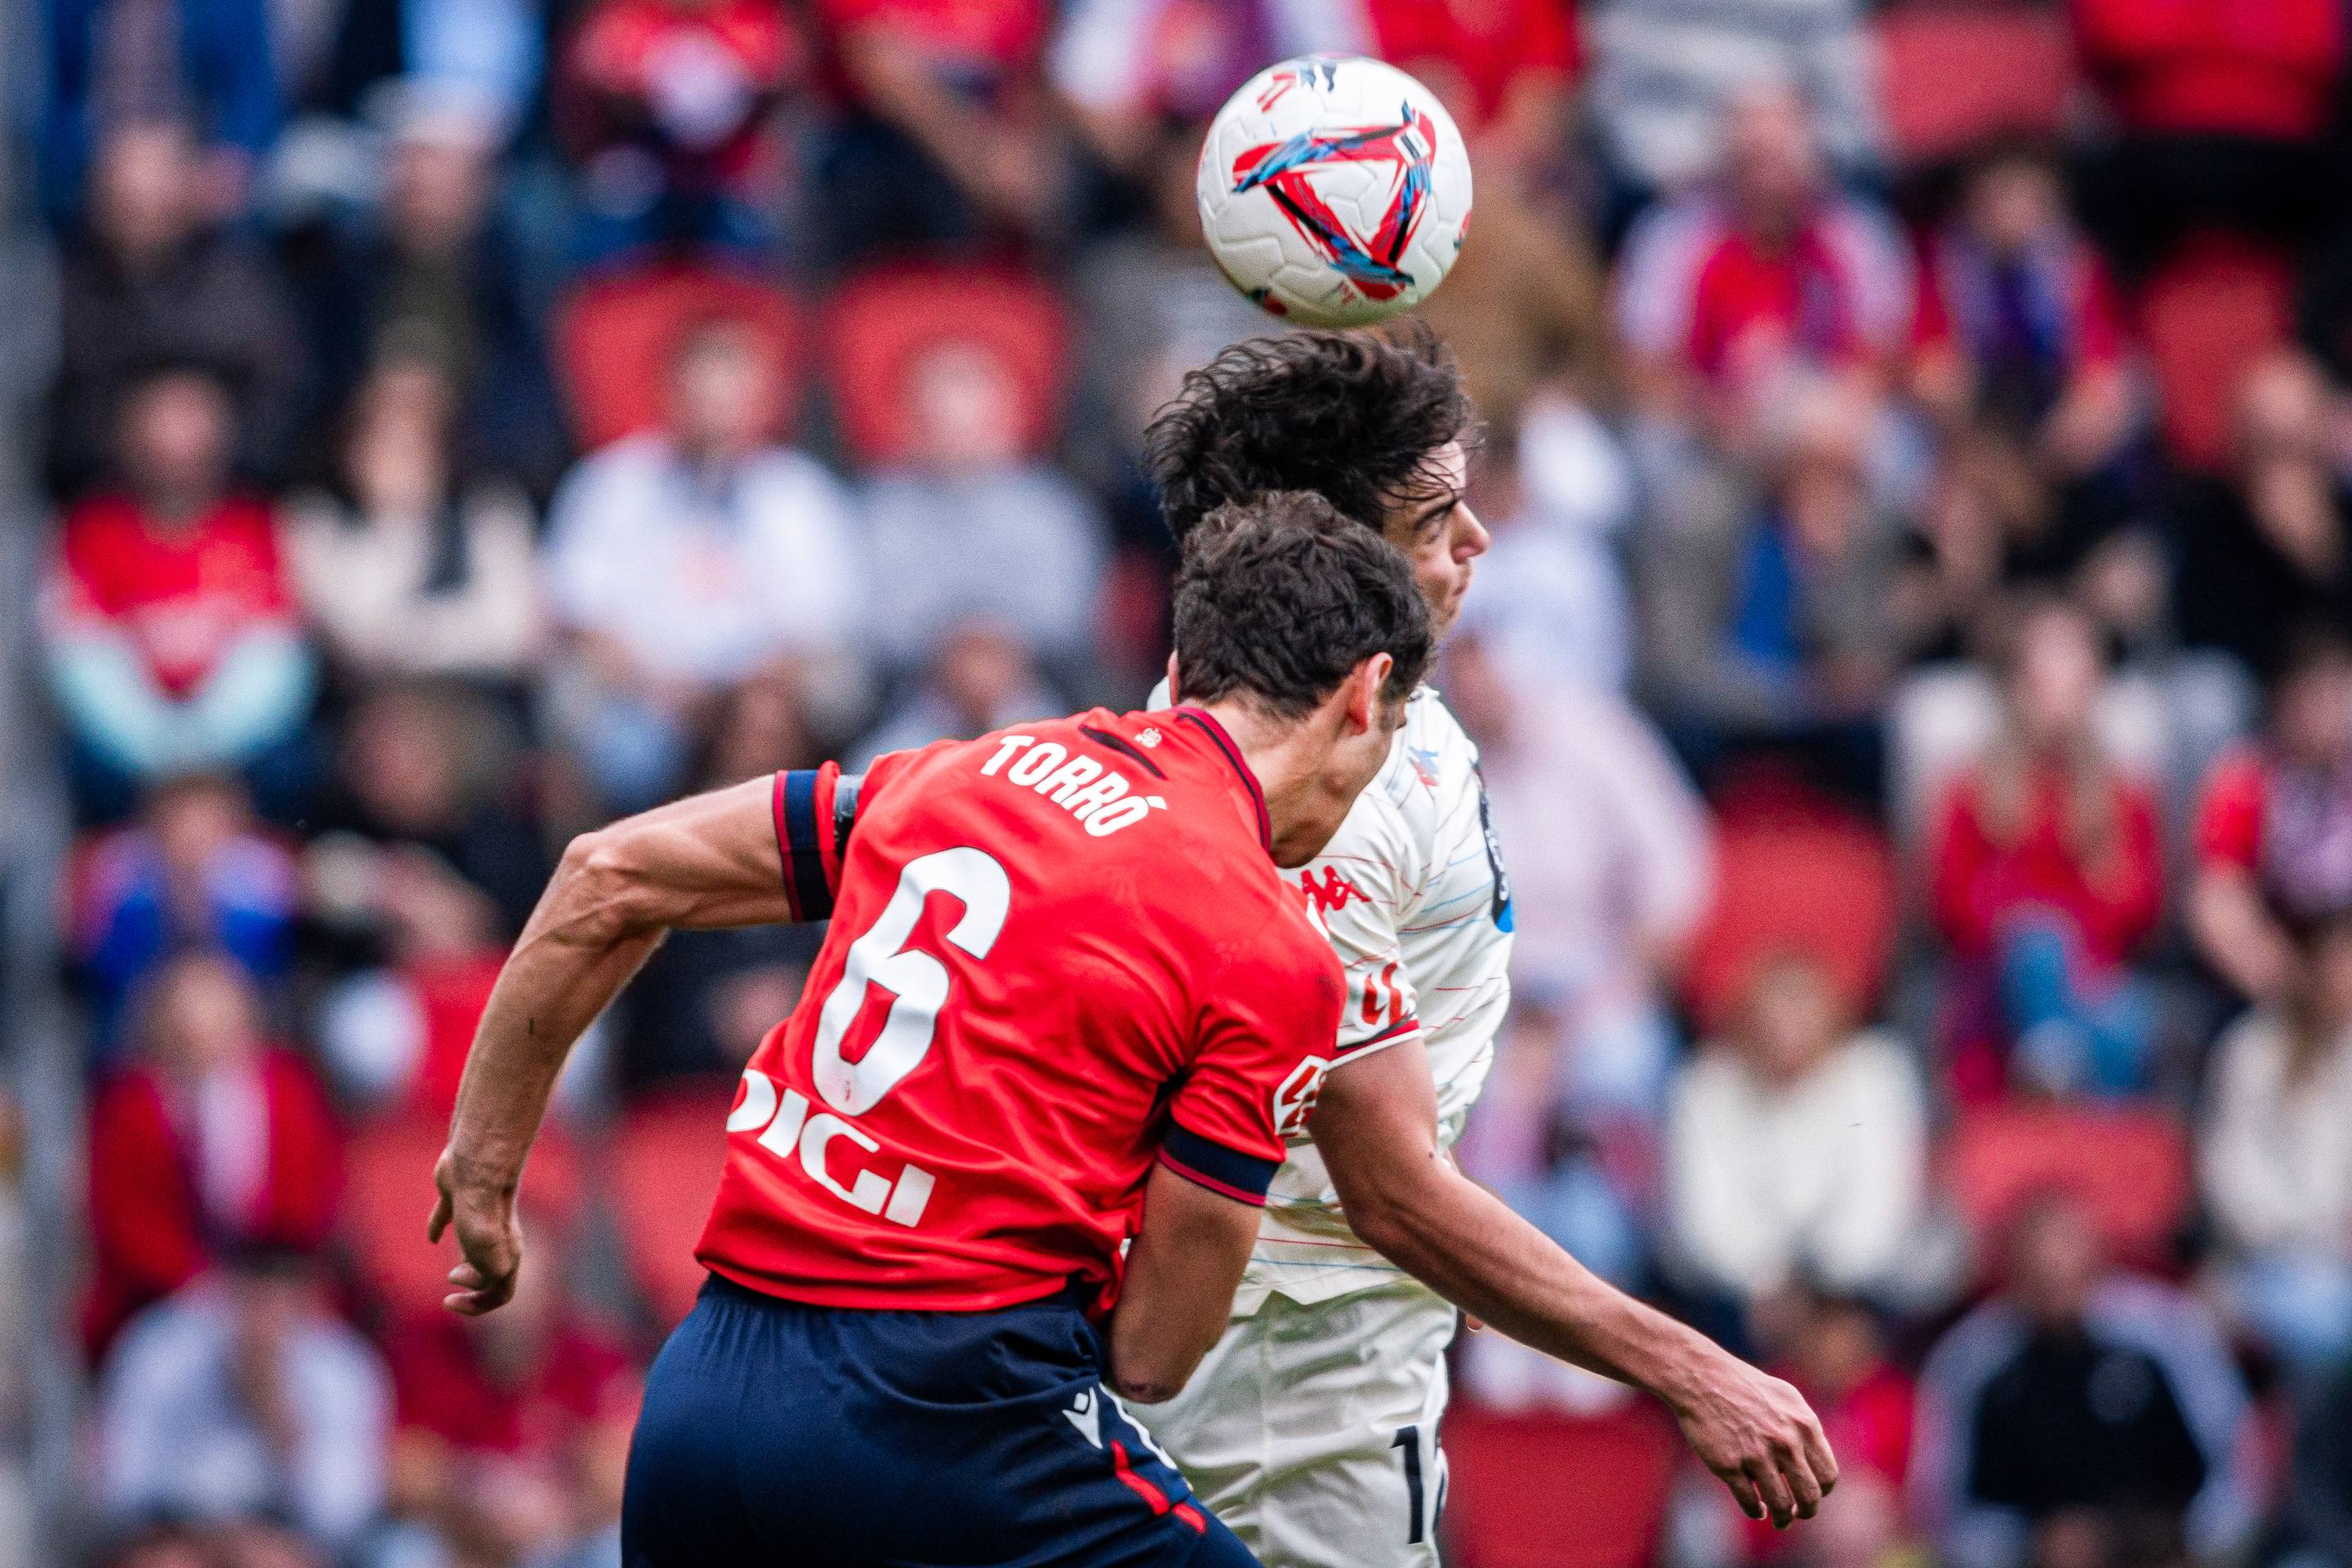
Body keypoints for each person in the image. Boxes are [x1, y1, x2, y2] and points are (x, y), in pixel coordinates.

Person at [432, 493, 1432, 1567]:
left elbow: (607, 874)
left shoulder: (961, 772)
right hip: (946, 1421)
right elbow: (1150, 1354)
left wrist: (484, 1166)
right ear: (1367, 697)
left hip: (702, 1404)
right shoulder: (1269, 949)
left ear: (1182, 677)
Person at [1140, 330, 1837, 1567]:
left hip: (1332, 1345)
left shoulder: (1370, 712)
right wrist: (1687, 1364)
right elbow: (1389, 1186)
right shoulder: (1318, 800)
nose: (1480, 544)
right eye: (1436, 517)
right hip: (1285, 1390)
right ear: (1342, 556)